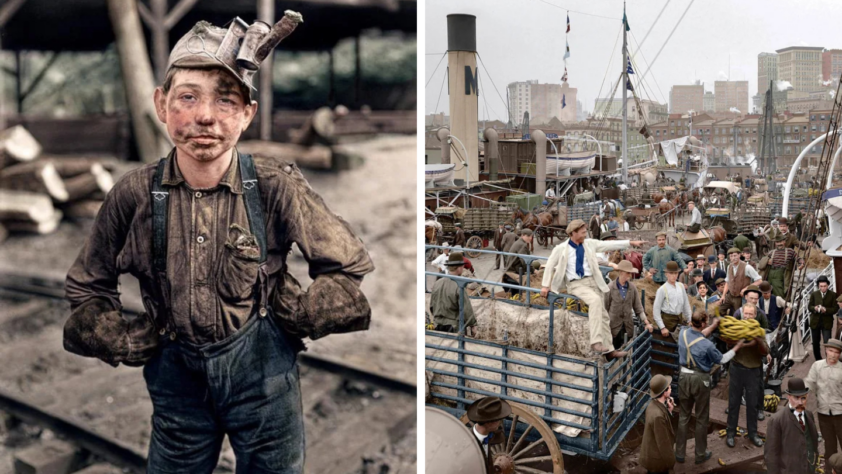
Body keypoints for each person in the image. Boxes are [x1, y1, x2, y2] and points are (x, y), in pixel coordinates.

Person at [63, 14, 374, 472]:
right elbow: (88, 288)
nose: (205, 115)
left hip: (265, 382)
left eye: (225, 101)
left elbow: (345, 267)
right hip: (177, 387)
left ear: (247, 113)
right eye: (188, 97)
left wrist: (309, 312)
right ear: (161, 104)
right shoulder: (132, 195)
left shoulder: (274, 185)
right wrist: (114, 337)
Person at [539, 219, 645, 358]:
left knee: (604, 317)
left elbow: (607, 244)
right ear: (573, 233)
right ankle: (595, 342)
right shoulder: (560, 249)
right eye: (582, 232)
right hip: (576, 284)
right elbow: (550, 264)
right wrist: (545, 285)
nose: (585, 234)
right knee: (595, 301)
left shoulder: (589, 244)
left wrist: (629, 243)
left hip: (593, 282)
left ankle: (610, 350)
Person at [675, 312, 744, 465]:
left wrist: (713, 325)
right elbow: (722, 359)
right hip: (700, 380)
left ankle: (679, 453)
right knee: (701, 418)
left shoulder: (683, 333)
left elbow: (700, 333)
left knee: (683, 416)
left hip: (683, 377)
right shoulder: (707, 345)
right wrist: (737, 347)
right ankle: (700, 454)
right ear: (704, 323)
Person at [725, 303, 768, 448]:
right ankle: (731, 432)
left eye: (751, 314)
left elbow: (765, 352)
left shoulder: (759, 330)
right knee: (733, 402)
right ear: (742, 313)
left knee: (752, 404)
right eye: (746, 313)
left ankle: (753, 433)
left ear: (755, 315)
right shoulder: (736, 328)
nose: (748, 316)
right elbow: (728, 345)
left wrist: (757, 339)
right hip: (737, 368)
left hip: (753, 371)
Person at [765, 377, 819, 474]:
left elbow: (813, 443)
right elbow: (771, 456)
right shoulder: (777, 420)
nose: (800, 402)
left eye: (803, 398)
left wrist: (813, 464)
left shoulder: (809, 415)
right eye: (796, 398)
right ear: (789, 397)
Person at [805, 338, 842, 460]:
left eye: (837, 352)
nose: (833, 354)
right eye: (831, 350)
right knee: (829, 446)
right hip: (823, 414)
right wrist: (800, 400)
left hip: (840, 414)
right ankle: (829, 470)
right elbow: (809, 384)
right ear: (826, 350)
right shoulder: (817, 366)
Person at [605, 260, 649, 351]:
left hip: (628, 328)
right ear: (621, 272)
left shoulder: (632, 288)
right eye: (628, 273)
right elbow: (604, 309)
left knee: (627, 353)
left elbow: (638, 308)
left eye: (630, 273)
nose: (630, 275)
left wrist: (646, 322)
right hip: (613, 329)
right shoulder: (610, 288)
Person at [430, 252, 477, 334]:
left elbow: (431, 306)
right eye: (462, 266)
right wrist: (473, 324)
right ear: (458, 268)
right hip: (454, 327)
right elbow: (466, 309)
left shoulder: (437, 283)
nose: (463, 268)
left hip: (437, 325)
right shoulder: (460, 286)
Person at [639, 374, 676, 474]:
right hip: (657, 462)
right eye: (669, 387)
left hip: (651, 456)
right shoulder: (658, 416)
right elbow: (663, 443)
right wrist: (671, 462)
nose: (671, 388)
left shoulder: (651, 405)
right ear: (664, 393)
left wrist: (669, 411)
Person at [466, 397, 511, 472]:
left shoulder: (490, 435)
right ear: (489, 423)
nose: (500, 423)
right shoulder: (468, 446)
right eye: (498, 419)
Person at [652, 261, 693, 338]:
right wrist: (662, 327)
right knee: (667, 345)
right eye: (671, 273)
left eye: (676, 273)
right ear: (666, 274)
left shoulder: (681, 286)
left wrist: (689, 320)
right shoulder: (662, 289)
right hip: (667, 321)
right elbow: (656, 310)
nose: (674, 276)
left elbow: (686, 304)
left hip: (679, 319)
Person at [719, 247, 763, 317]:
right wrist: (723, 295)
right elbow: (727, 281)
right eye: (731, 256)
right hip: (730, 295)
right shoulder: (729, 266)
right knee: (720, 310)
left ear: (739, 255)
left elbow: (759, 281)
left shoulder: (747, 267)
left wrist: (746, 288)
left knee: (738, 315)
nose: (733, 258)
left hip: (739, 297)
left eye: (735, 255)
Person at [810, 275, 838, 361]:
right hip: (815, 322)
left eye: (824, 286)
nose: (823, 288)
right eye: (821, 286)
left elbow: (835, 308)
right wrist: (815, 308)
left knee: (827, 342)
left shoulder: (833, 295)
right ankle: (818, 360)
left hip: (827, 322)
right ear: (818, 286)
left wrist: (826, 310)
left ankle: (828, 360)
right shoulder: (814, 294)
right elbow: (809, 306)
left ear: (828, 285)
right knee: (815, 342)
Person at [761, 234, 797, 299]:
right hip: (770, 274)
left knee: (780, 295)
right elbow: (762, 263)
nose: (779, 244)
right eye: (777, 242)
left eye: (780, 242)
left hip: (781, 275)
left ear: (784, 242)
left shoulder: (790, 251)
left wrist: (801, 263)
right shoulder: (771, 252)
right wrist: (767, 260)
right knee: (768, 293)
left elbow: (798, 258)